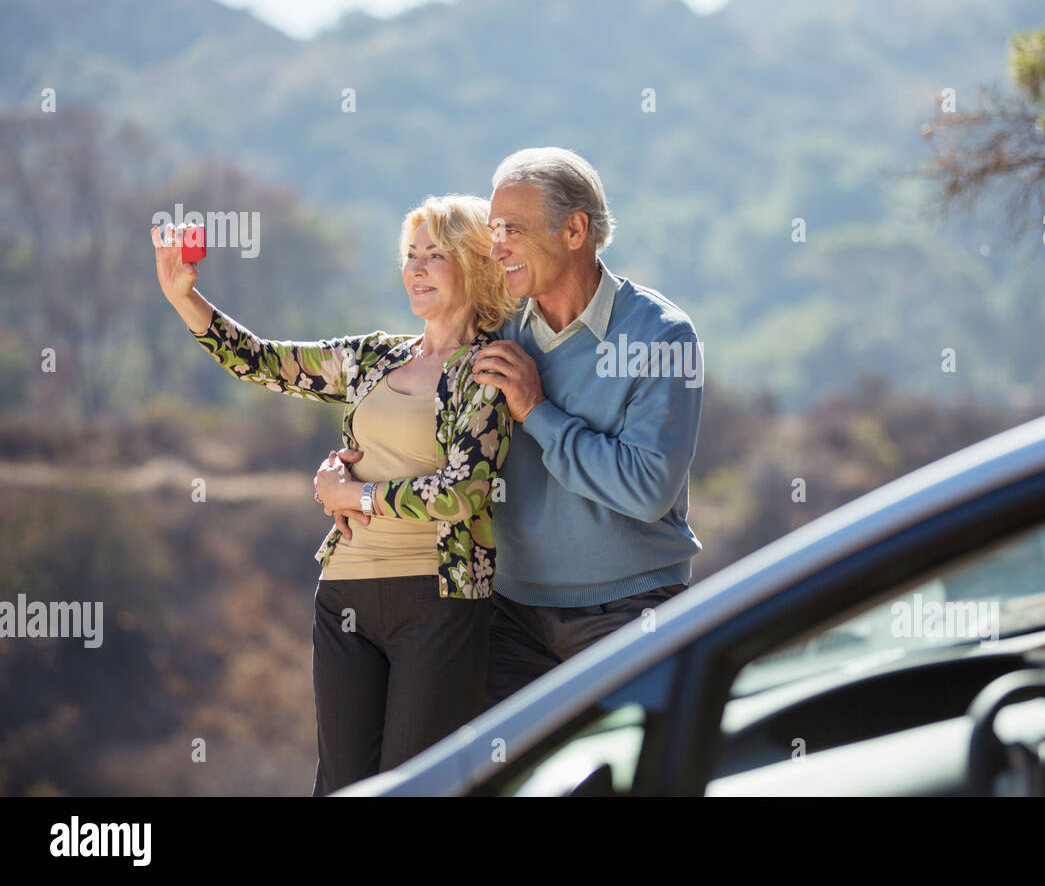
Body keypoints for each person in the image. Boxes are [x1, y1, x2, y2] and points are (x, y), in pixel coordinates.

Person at [152, 194, 515, 795]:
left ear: (477, 265)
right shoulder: (374, 357)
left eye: (435, 255)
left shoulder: (491, 368)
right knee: (341, 787)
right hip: (345, 594)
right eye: (410, 255)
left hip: (440, 598)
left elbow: (464, 493)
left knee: (412, 786)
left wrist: (359, 495)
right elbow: (264, 362)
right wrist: (185, 298)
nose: (416, 268)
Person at [470, 147, 704, 706]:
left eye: (514, 230)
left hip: (628, 610)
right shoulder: (494, 325)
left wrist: (537, 412)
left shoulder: (663, 337)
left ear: (575, 230)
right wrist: (357, 483)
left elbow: (647, 489)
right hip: (509, 615)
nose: (496, 247)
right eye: (493, 229)